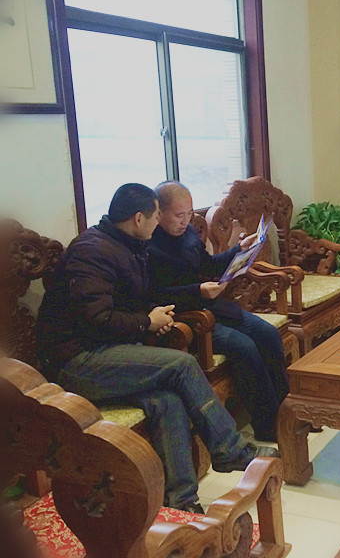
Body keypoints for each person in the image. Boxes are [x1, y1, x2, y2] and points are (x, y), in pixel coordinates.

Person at [35, 183, 276, 514]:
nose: (159, 221)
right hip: (76, 361)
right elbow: (97, 319)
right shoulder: (92, 251)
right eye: (156, 215)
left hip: (107, 350)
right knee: (182, 365)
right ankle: (229, 450)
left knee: (167, 400)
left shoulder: (125, 245)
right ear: (139, 219)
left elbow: (130, 301)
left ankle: (182, 502)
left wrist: (153, 316)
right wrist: (146, 322)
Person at [149, 181, 288, 443]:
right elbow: (153, 295)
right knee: (245, 346)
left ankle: (288, 412)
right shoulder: (148, 244)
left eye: (189, 214)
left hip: (210, 305)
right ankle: (268, 425)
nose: (185, 221)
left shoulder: (188, 233)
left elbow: (209, 265)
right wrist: (197, 291)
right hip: (186, 317)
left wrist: (239, 250)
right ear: (159, 213)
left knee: (268, 333)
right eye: (179, 215)